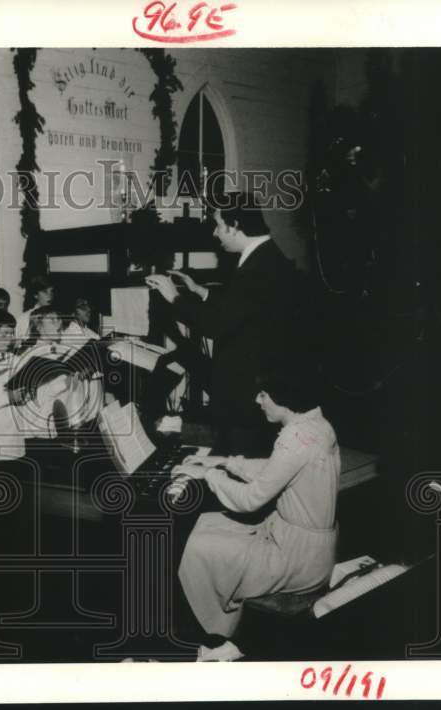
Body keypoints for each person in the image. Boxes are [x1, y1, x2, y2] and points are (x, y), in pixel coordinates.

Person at [168, 372, 339, 661]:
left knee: (195, 546)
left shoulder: (294, 437)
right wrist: (225, 463)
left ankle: (209, 639)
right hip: (310, 546)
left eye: (264, 394)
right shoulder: (315, 424)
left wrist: (208, 474)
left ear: (283, 399)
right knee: (206, 524)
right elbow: (277, 471)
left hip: (296, 558)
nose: (257, 400)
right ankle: (219, 635)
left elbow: (250, 500)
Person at [145, 192, 299, 457]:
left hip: (249, 386)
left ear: (235, 224)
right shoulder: (267, 256)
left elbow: (218, 324)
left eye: (218, 225)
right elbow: (243, 308)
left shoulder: (256, 268)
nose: (216, 234)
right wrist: (202, 292)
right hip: (260, 378)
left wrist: (175, 297)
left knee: (241, 458)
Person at [15, 275, 55, 340]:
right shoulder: (25, 318)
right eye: (45, 292)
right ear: (35, 295)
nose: (50, 296)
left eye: (51, 291)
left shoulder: (55, 316)